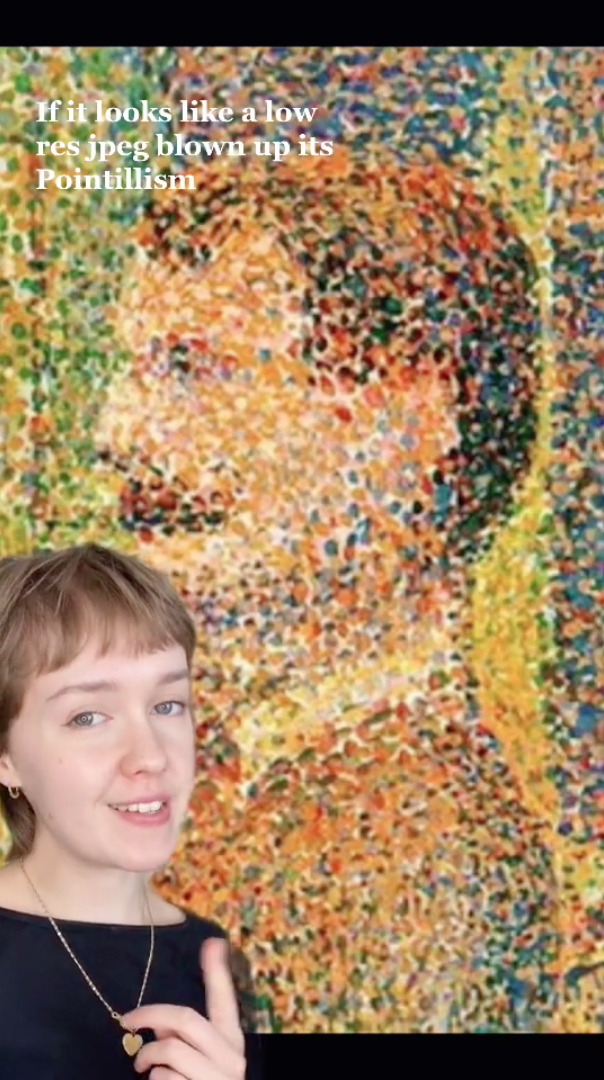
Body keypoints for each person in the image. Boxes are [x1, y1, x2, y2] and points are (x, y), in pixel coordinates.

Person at [85, 150, 569, 1032]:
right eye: (134, 366)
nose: (118, 431)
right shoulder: (191, 778)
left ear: (407, 428)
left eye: (195, 369)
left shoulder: (424, 854)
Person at [0, 544, 263, 1078]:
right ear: (7, 758)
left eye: (167, 705)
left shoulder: (211, 962)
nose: (151, 756)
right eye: (88, 717)